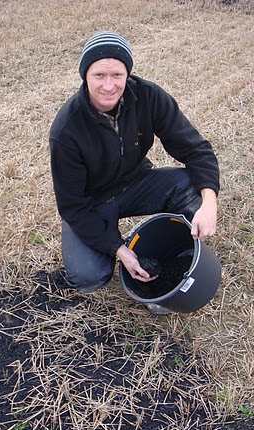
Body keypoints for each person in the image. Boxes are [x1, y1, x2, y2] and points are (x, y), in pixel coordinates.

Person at [49, 31, 219, 313]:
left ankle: (179, 248)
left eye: (117, 74)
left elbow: (196, 150)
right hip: (93, 203)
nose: (108, 85)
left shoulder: (148, 97)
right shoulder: (67, 130)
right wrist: (120, 250)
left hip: (137, 181)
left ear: (127, 73)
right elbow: (72, 206)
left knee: (195, 189)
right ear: (85, 76)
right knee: (89, 276)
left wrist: (210, 203)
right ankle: (117, 245)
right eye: (99, 75)